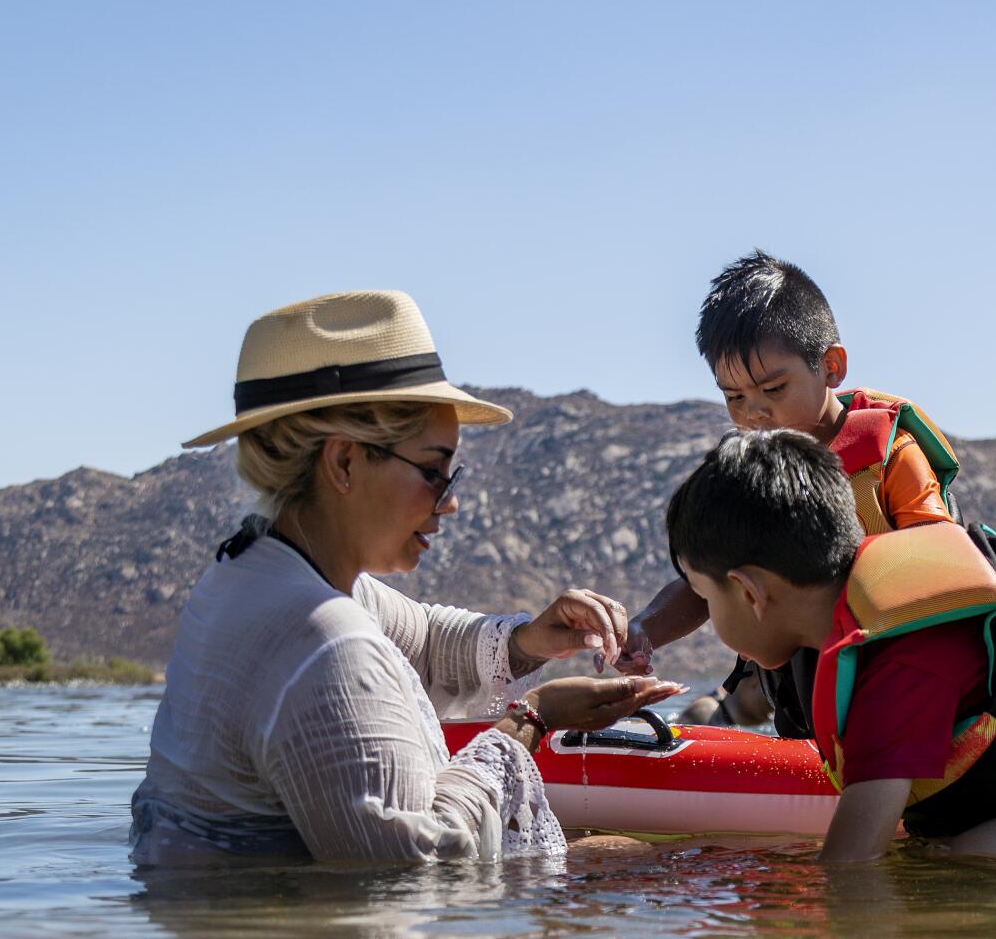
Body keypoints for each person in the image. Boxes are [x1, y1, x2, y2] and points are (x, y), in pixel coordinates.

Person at [130, 290, 682, 866]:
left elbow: (422, 640)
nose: (450, 503)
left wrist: (529, 642)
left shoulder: (258, 573)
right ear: (343, 462)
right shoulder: (320, 639)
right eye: (433, 471)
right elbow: (419, 863)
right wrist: (532, 720)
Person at [664, 430, 996, 863]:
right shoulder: (849, 618)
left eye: (705, 597)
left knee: (951, 869)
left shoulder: (896, 660)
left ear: (750, 592)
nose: (710, 617)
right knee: (925, 857)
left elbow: (851, 864)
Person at [617, 250, 963, 735]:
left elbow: (944, 578)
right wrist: (644, 631)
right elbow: (707, 584)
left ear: (832, 366)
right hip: (800, 693)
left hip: (899, 692)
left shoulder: (890, 460)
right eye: (734, 397)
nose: (753, 415)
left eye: (774, 390)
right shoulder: (752, 476)